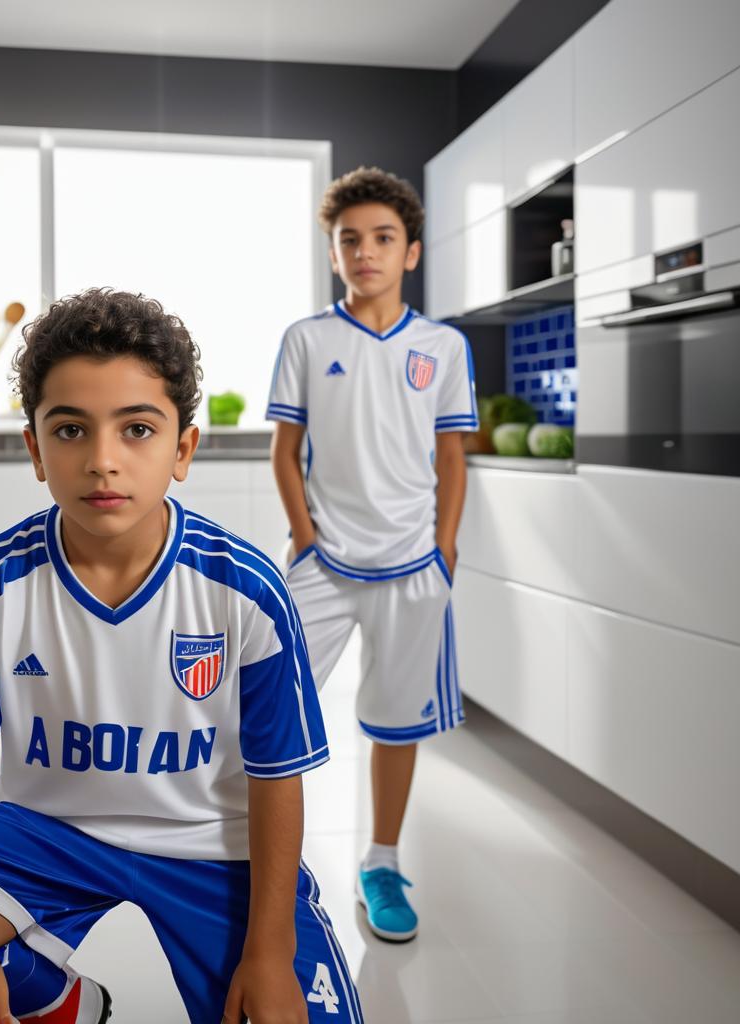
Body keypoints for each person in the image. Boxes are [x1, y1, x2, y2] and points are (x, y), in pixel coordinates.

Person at [0, 289, 362, 1024]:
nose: (102, 461)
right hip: (52, 833)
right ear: (34, 449)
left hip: (215, 842)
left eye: (138, 429)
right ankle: (64, 1009)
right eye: (72, 429)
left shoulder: (246, 590)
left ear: (183, 449)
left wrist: (267, 953)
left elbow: (278, 779)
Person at [267, 167, 477, 943]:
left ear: (411, 252)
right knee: (272, 706)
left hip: (415, 567)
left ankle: (381, 863)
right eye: (349, 239)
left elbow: (452, 458)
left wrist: (444, 550)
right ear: (333, 253)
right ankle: (263, 862)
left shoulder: (443, 347)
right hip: (324, 562)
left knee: (395, 724)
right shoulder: (307, 339)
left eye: (382, 238)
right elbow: (284, 452)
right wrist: (305, 536)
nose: (366, 251)